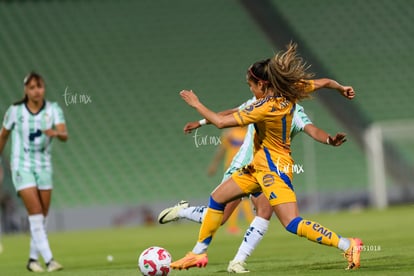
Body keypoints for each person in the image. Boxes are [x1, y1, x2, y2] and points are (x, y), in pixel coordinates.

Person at [169, 42, 362, 272]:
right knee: (218, 197)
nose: (250, 90)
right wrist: (341, 87)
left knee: (292, 223)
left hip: (275, 170)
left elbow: (222, 122)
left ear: (261, 84)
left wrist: (196, 104)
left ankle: (347, 244)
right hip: (258, 166)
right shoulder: (289, 90)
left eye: (251, 86)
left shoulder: (264, 108)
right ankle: (197, 253)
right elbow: (324, 82)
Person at [158, 103, 347, 273]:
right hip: (243, 167)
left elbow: (312, 129)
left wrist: (330, 140)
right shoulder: (259, 104)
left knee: (264, 212)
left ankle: (237, 262)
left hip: (268, 169)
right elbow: (227, 115)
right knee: (221, 217)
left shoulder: (295, 111)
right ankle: (184, 212)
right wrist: (200, 122)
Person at [0, 72, 67, 272]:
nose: (36, 91)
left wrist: (56, 133)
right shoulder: (15, 111)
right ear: (26, 90)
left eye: (39, 86)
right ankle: (49, 260)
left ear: (44, 88)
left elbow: (64, 134)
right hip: (22, 166)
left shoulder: (53, 109)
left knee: (41, 217)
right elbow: (3, 135)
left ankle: (31, 260)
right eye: (32, 87)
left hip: (44, 166)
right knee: (36, 212)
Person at [207, 126, 254, 234]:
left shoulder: (250, 131)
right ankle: (234, 226)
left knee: (245, 196)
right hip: (232, 168)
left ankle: (250, 223)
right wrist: (214, 165)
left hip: (247, 167)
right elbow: (222, 150)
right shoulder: (230, 133)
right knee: (234, 197)